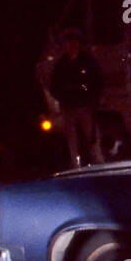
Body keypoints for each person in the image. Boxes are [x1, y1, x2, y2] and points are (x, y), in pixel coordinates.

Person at [46, 28, 104, 168]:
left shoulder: (88, 61)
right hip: (68, 107)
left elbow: (98, 81)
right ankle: (75, 165)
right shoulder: (61, 64)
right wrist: (62, 97)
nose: (72, 46)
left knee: (92, 136)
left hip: (85, 106)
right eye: (69, 43)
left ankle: (99, 163)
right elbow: (54, 86)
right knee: (72, 140)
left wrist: (92, 97)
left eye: (75, 42)